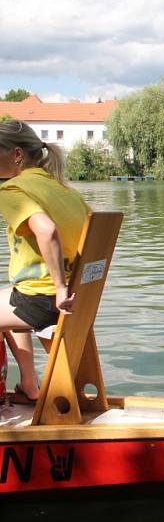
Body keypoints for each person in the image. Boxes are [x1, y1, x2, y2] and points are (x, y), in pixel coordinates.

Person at [0, 120, 91, 402]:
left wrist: (59, 287)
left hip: (45, 300)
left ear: (16, 155)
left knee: (16, 301)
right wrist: (66, 288)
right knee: (8, 298)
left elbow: (46, 230)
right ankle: (29, 382)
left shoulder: (13, 190)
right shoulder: (68, 192)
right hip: (75, 299)